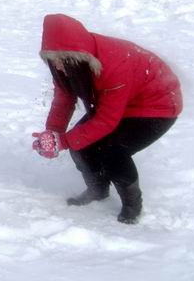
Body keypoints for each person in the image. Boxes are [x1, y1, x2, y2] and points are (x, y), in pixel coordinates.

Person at [31, 13, 182, 224]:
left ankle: (132, 205)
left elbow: (107, 120)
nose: (57, 67)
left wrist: (63, 141)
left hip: (157, 104)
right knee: (80, 144)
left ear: (76, 55)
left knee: (113, 151)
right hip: (119, 101)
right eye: (52, 60)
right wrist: (53, 132)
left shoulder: (112, 63)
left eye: (61, 60)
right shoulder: (69, 61)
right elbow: (64, 97)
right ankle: (97, 190)